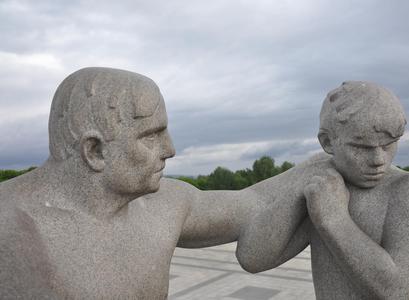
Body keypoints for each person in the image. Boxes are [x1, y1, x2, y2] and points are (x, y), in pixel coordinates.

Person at [0, 67, 310, 299]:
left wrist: (316, 167)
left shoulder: (165, 203)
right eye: (150, 136)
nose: (170, 149)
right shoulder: (9, 226)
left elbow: (253, 205)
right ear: (95, 151)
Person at [236, 81, 409, 299]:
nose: (378, 160)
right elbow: (253, 257)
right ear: (327, 142)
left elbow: (402, 291)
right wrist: (301, 186)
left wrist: (334, 220)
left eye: (388, 144)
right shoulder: (326, 189)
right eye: (361, 147)